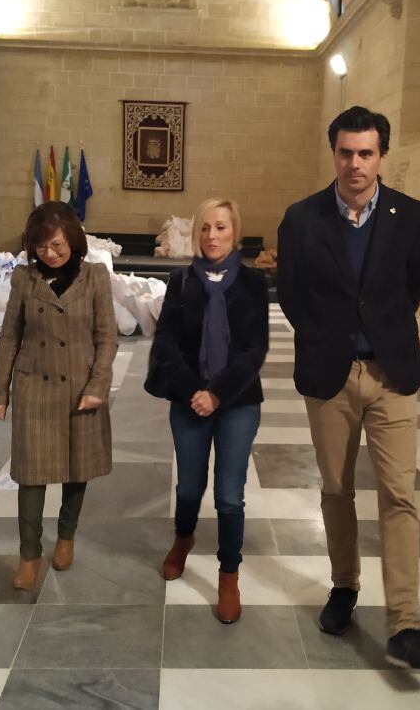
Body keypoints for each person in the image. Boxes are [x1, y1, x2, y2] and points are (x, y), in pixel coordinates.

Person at [276, 106, 420, 673]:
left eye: (366, 153)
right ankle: (344, 586)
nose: (355, 163)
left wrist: (379, 336)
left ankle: (406, 621)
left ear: (381, 157)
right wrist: (331, 340)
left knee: (399, 494)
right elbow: (293, 297)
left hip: (392, 373)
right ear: (335, 154)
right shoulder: (302, 219)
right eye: (346, 152)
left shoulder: (412, 216)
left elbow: (408, 290)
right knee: (336, 488)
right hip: (331, 376)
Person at [147, 198, 269, 624]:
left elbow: (255, 349)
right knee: (188, 489)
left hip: (236, 402)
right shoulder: (181, 282)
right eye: (204, 228)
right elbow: (165, 345)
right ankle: (184, 538)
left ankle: (228, 573)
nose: (212, 236)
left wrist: (216, 394)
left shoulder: (253, 284)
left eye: (220, 227)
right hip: (187, 399)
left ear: (235, 231)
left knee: (229, 497)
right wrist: (192, 391)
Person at [0, 202, 118, 590]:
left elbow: (106, 338)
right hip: (35, 389)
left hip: (80, 387)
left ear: (74, 241)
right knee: (30, 475)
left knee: (77, 469)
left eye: (58, 245)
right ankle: (29, 554)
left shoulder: (95, 277)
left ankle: (66, 536)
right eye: (42, 247)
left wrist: (98, 386)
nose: (51, 254)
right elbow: (10, 335)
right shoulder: (24, 280)